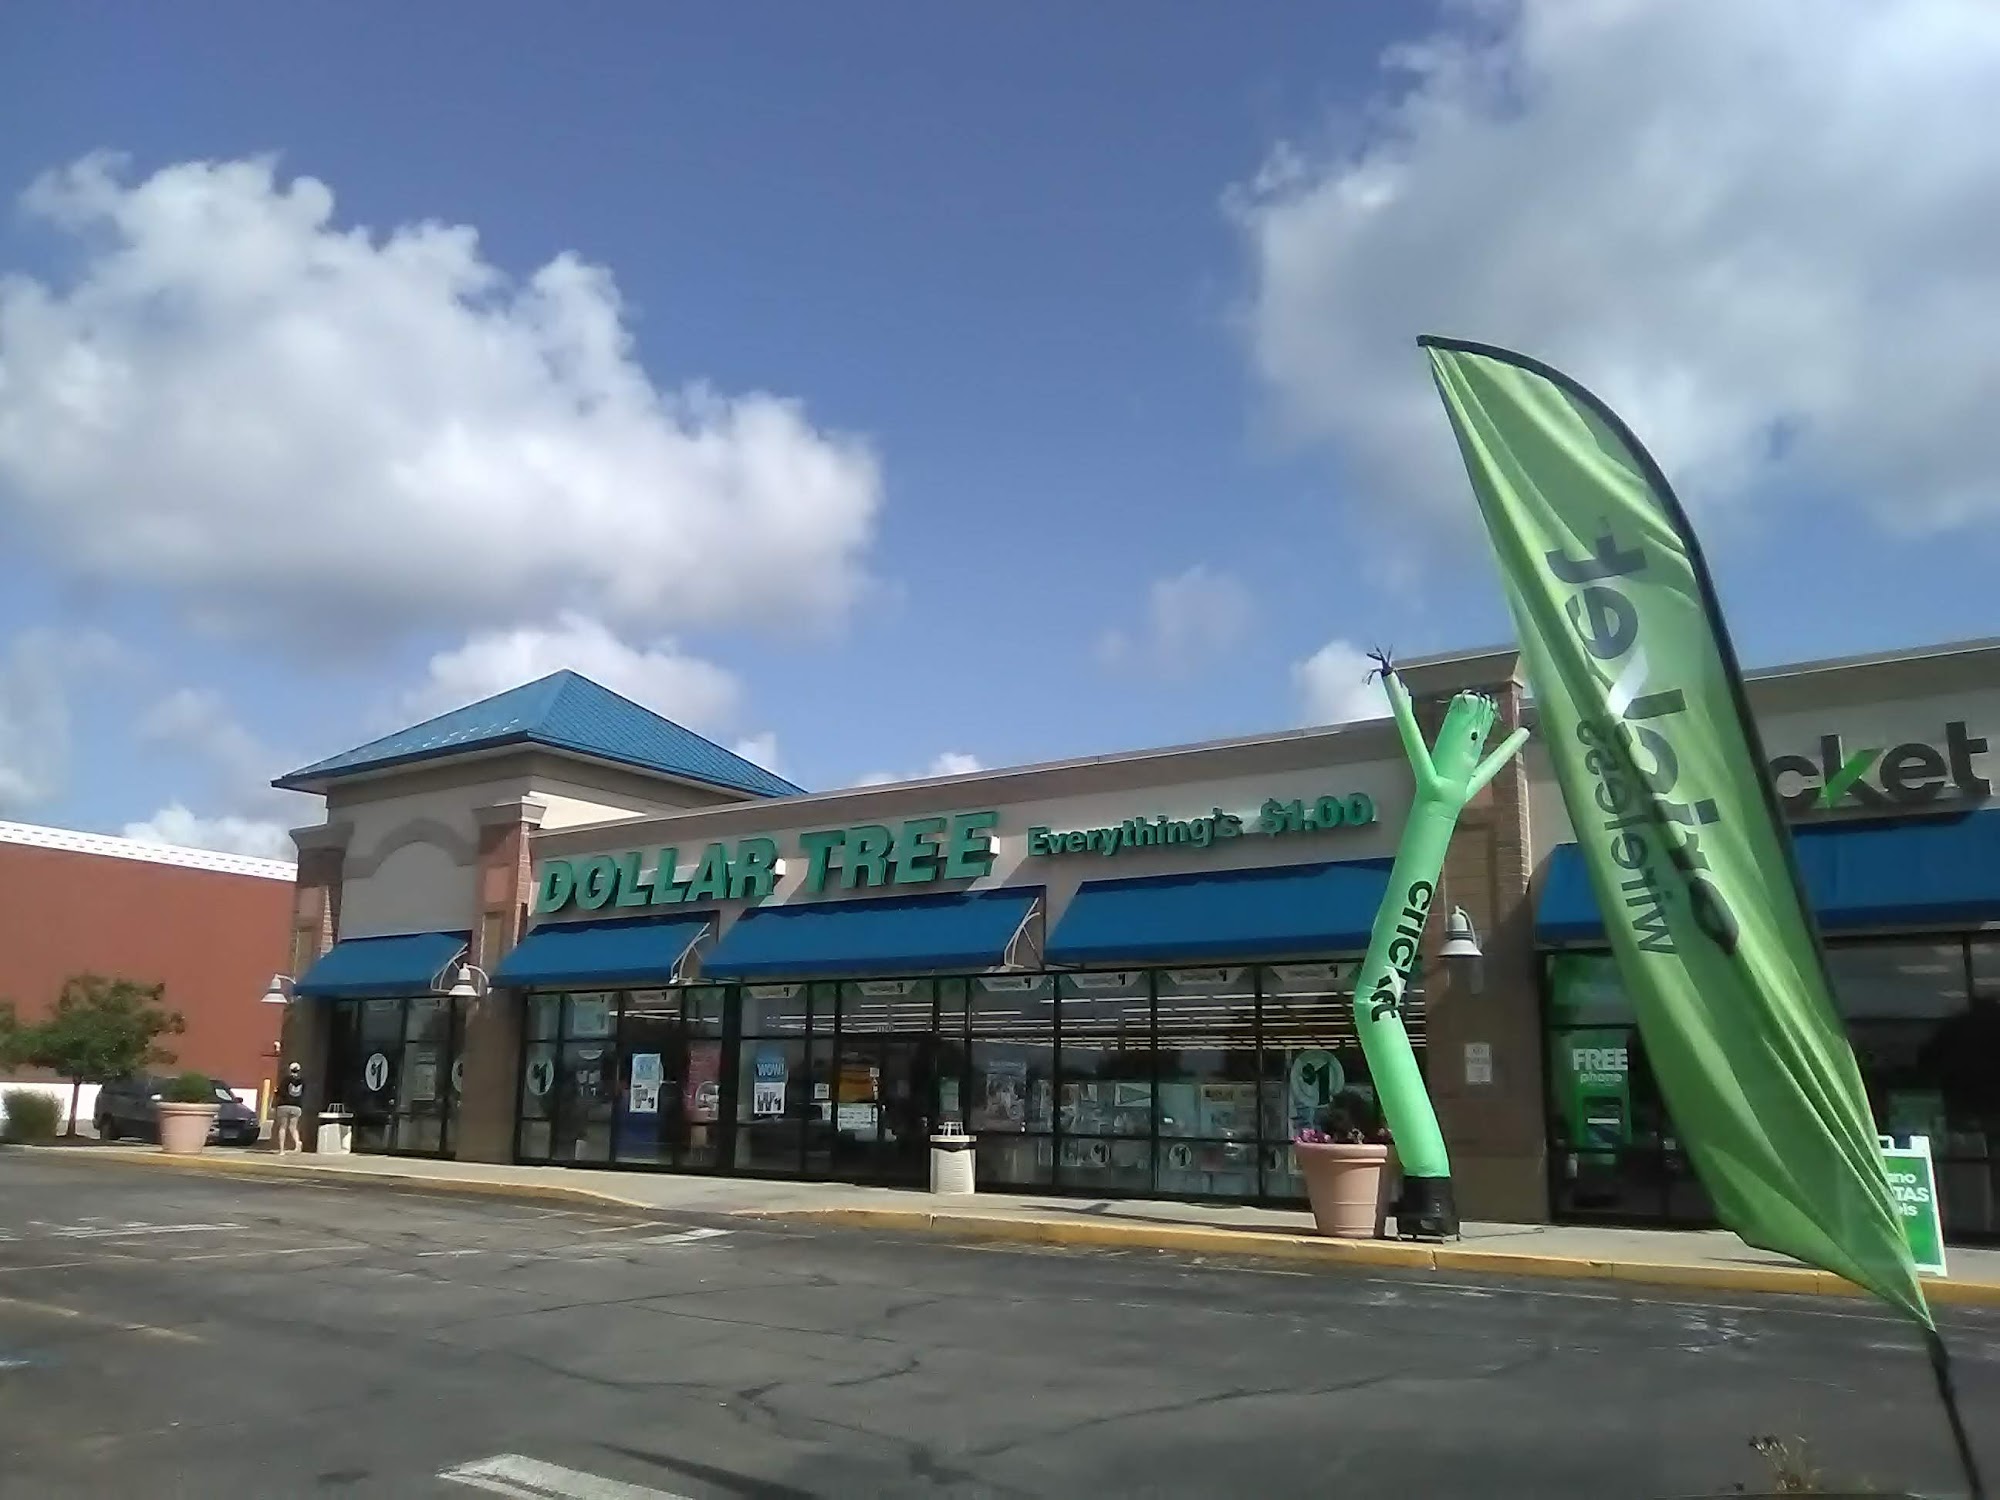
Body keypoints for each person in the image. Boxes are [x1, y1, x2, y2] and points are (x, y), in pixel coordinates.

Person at [273, 1062, 306, 1155]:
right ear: (299, 1070)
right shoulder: (302, 1081)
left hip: (284, 1105)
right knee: (293, 1127)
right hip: (296, 1106)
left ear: (290, 1070)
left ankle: (281, 1150)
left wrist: (276, 1092)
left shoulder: (285, 1080)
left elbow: (279, 1092)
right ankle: (297, 1142)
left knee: (282, 1127)